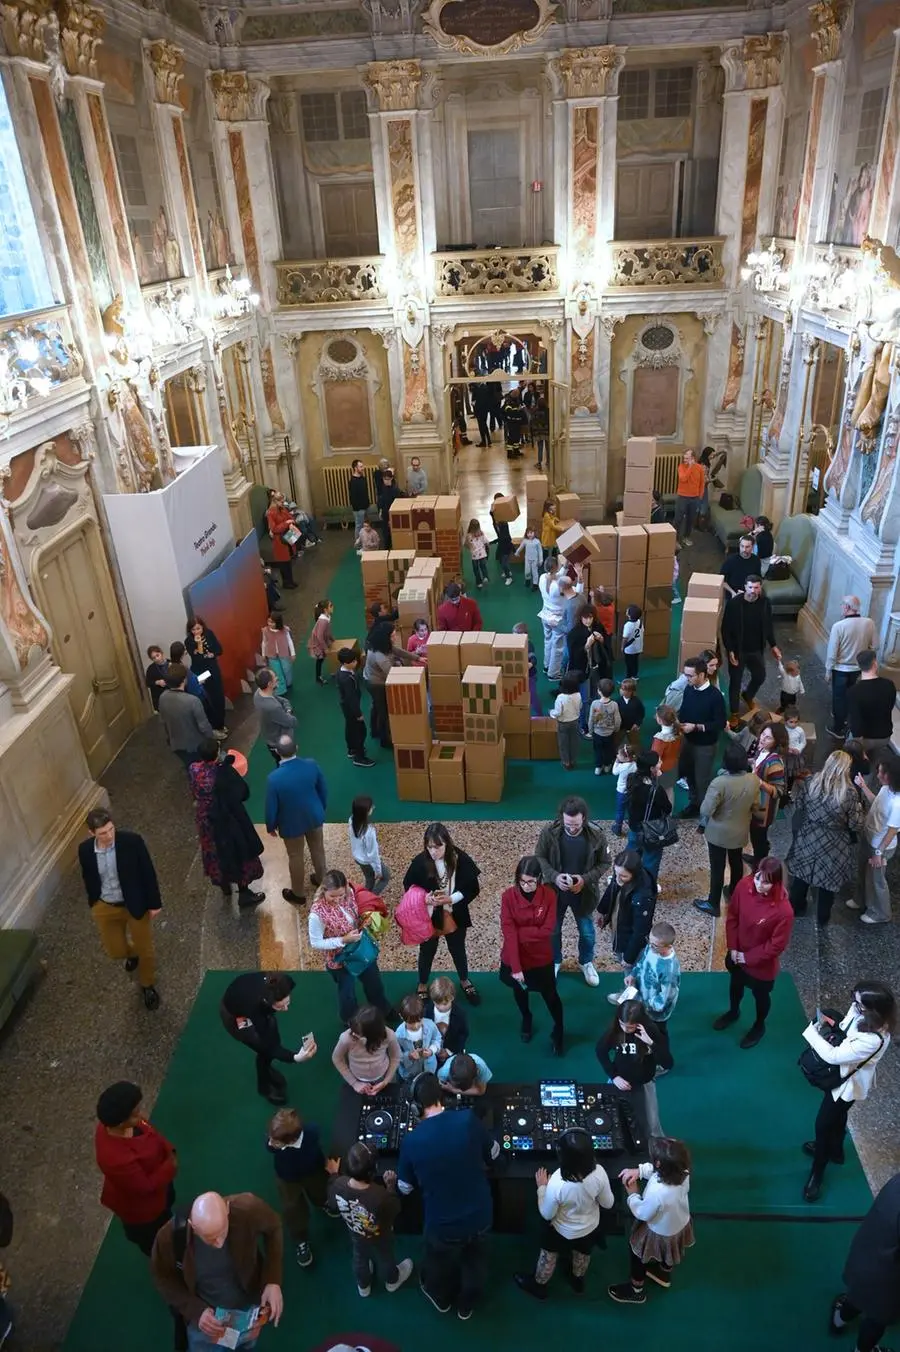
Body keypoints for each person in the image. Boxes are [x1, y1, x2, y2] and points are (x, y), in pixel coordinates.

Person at [396, 1072, 498, 1320]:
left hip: (443, 1227)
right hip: (481, 1216)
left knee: (439, 1264)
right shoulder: (469, 1120)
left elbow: (405, 1188)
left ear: (415, 1107)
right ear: (443, 1096)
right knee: (476, 1261)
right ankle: (467, 1305)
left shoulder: (412, 1141)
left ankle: (441, 1299)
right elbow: (493, 1153)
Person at [151, 1191, 284, 1350]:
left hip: (248, 1308)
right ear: (193, 1226)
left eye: (222, 1231)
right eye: (210, 1238)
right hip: (208, 1319)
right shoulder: (169, 1237)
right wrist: (196, 1311)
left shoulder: (247, 1209)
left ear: (227, 1209)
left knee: (247, 1343)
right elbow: (162, 1277)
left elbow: (274, 1227)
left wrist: (272, 1280)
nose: (219, 1243)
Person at [801, 982, 895, 1202]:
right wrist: (836, 1024)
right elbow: (848, 1027)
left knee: (823, 1126)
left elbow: (834, 1056)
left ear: (873, 1011)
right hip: (843, 1079)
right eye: (854, 998)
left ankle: (818, 1172)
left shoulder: (873, 1039)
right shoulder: (863, 1013)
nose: (854, 1005)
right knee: (838, 1116)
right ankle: (836, 1151)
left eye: (859, 1004)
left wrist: (811, 1034)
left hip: (846, 1084)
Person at [514, 1130, 614, 1301]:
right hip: (589, 1228)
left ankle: (539, 1285)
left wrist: (542, 1188)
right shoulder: (600, 1173)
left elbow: (547, 1214)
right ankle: (577, 1280)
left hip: (560, 1230)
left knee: (549, 1255)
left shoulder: (557, 1183)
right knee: (582, 1253)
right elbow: (608, 1203)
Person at [78, 808, 161, 1011]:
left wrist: (154, 903)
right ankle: (131, 955)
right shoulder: (85, 850)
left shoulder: (132, 842)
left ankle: (148, 985)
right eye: (102, 833)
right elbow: (89, 877)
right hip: (105, 905)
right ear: (91, 834)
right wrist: (94, 902)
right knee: (115, 951)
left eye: (110, 829)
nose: (108, 836)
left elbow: (148, 872)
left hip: (134, 903)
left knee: (146, 950)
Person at [712, 858, 793, 1049]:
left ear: (776, 883)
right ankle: (733, 1012)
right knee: (735, 985)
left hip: (760, 965)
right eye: (757, 877)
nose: (758, 884)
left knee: (761, 996)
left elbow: (776, 945)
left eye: (765, 882)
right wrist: (732, 947)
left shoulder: (784, 911)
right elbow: (732, 917)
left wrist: (748, 957)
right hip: (737, 955)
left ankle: (759, 1025)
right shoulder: (743, 885)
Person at [94, 1081, 177, 1255]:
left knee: (167, 1212)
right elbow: (145, 1186)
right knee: (157, 1241)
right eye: (134, 1114)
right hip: (145, 1210)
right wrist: (171, 1165)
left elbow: (152, 1134)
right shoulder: (115, 1159)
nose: (140, 1116)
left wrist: (168, 1150)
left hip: (160, 1189)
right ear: (119, 1122)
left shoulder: (126, 1124)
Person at [609, 1138, 694, 1305]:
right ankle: (663, 1272)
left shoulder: (659, 1193)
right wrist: (639, 1171)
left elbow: (643, 1213)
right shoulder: (683, 1172)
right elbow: (657, 1171)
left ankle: (636, 1290)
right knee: (669, 1251)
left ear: (659, 1164)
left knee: (637, 1255)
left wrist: (633, 1194)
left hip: (658, 1231)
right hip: (679, 1224)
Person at [404, 823, 482, 1004]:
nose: (433, 851)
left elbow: (472, 887)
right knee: (427, 951)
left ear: (446, 843)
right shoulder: (420, 862)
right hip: (430, 917)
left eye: (437, 846)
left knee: (458, 949)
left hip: (455, 914)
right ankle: (422, 983)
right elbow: (410, 887)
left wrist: (451, 899)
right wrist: (425, 899)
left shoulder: (460, 859)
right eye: (429, 846)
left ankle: (464, 979)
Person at [536, 797, 610, 986]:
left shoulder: (596, 835)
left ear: (584, 818)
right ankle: (555, 961)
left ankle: (585, 962)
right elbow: (540, 857)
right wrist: (554, 876)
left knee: (587, 933)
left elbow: (605, 863)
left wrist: (584, 879)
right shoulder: (549, 832)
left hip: (583, 893)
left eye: (576, 824)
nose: (571, 828)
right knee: (553, 930)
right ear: (561, 818)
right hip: (555, 892)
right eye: (567, 824)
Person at [787, 751, 866, 926]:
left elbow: (799, 805)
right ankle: (823, 918)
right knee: (827, 883)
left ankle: (795, 907)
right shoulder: (849, 793)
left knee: (802, 874)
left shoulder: (811, 782)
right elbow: (856, 824)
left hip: (809, 834)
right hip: (834, 843)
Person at [325, 1144, 412, 1298]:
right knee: (385, 1255)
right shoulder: (380, 1196)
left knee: (359, 1256)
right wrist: (390, 1186)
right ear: (374, 1170)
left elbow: (332, 1204)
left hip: (355, 1231)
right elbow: (394, 1208)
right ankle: (392, 1280)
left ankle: (363, 1286)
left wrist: (333, 1175)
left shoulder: (337, 1185)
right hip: (380, 1234)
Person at [827, 1172, 900, 1349]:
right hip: (889, 1279)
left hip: (865, 1257)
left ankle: (838, 1321)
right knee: (876, 1320)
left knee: (856, 1297)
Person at [220, 971, 317, 1104]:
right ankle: (264, 1088)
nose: (286, 1008)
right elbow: (270, 1047)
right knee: (264, 1051)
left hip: (250, 1003)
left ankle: (268, 1070)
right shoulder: (254, 1009)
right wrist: (295, 1057)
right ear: (267, 1001)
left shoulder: (282, 983)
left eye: (287, 1002)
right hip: (235, 1017)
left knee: (271, 1034)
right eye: (281, 1006)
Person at [309, 871, 393, 1024]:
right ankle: (351, 1021)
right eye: (332, 896)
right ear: (324, 890)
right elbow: (316, 942)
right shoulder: (316, 914)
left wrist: (364, 919)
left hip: (361, 950)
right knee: (347, 994)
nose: (337, 900)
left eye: (340, 895)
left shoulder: (350, 893)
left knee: (374, 982)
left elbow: (357, 909)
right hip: (341, 960)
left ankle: (383, 1009)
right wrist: (343, 940)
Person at [500, 855, 564, 1055]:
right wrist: (516, 968)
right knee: (520, 991)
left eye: (530, 882)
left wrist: (521, 933)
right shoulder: (508, 897)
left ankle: (559, 1028)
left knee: (551, 995)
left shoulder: (550, 895)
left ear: (539, 878)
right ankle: (526, 1018)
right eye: (522, 881)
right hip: (515, 956)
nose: (526, 886)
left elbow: (548, 929)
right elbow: (508, 933)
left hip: (540, 958)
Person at [190, 740, 265, 909]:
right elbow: (242, 793)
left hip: (206, 820)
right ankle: (244, 893)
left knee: (214, 852)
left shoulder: (194, 769)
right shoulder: (224, 772)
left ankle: (224, 886)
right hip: (228, 820)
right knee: (237, 852)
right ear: (217, 754)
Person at [692, 742, 759, 917]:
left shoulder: (720, 782)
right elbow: (756, 805)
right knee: (736, 861)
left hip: (718, 833)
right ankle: (734, 892)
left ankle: (713, 903)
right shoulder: (753, 779)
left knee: (717, 867)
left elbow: (706, 810)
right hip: (740, 829)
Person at [595, 997, 671, 1139]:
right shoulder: (615, 1030)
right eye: (622, 1024)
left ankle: (657, 1149)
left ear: (639, 1023)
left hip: (644, 1082)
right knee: (608, 1114)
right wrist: (614, 1076)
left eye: (630, 1027)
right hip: (620, 1079)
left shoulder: (651, 1031)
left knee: (651, 1123)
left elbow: (667, 1063)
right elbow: (600, 1051)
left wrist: (651, 1044)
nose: (625, 1029)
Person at [265, 735, 328, 906]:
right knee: (318, 850)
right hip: (314, 816)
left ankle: (298, 893)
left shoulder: (274, 778)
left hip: (290, 823)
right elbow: (323, 790)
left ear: (277, 752)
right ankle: (323, 881)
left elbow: (272, 806)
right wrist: (320, 809)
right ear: (297, 748)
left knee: (295, 856)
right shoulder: (311, 765)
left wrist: (271, 825)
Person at [608, 922, 681, 1066]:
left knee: (658, 1036)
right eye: (650, 941)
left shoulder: (669, 970)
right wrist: (633, 975)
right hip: (642, 1000)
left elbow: (662, 1002)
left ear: (669, 946)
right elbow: (641, 964)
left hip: (656, 1014)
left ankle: (663, 1064)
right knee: (643, 1030)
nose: (650, 946)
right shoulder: (652, 947)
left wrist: (639, 1003)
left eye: (655, 945)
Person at [266, 1108, 327, 1270]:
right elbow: (269, 1146)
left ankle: (323, 1203)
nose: (271, 1142)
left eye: (275, 1141)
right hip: (286, 1178)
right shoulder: (277, 1139)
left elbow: (315, 1158)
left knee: (320, 1191)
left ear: (292, 1140)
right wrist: (273, 1145)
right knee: (292, 1208)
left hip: (312, 1172)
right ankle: (300, 1238)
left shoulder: (311, 1135)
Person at [722, 576, 782, 718]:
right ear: (745, 587)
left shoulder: (765, 603)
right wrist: (730, 649)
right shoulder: (734, 604)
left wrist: (773, 645)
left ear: (760, 588)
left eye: (756, 587)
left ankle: (748, 696)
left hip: (756, 649)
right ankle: (735, 713)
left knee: (760, 676)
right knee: (735, 682)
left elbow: (768, 625)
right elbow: (725, 629)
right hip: (738, 650)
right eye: (750, 587)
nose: (753, 591)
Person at [676, 656, 728, 818]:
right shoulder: (689, 689)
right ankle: (694, 804)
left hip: (705, 746)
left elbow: (719, 723)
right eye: (685, 675)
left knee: (701, 780)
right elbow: (684, 711)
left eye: (690, 676)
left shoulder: (715, 696)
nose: (686, 679)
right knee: (689, 775)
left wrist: (697, 727)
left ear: (701, 675)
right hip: (687, 741)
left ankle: (705, 814)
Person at [851, 753, 900, 924]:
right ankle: (861, 900)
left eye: (881, 773)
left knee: (876, 880)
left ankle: (881, 912)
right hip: (869, 837)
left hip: (881, 845)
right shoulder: (886, 788)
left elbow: (892, 831)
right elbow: (876, 802)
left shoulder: (898, 802)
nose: (878, 775)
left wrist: (879, 853)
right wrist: (863, 787)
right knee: (863, 871)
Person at [597, 850, 657, 975]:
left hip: (630, 941)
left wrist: (629, 957)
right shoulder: (622, 875)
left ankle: (631, 994)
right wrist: (602, 911)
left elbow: (640, 931)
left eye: (623, 876)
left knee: (632, 973)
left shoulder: (642, 895)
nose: (618, 878)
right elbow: (612, 889)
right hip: (620, 928)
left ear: (634, 874)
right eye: (616, 873)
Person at [825, 596, 876, 739]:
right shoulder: (869, 623)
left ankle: (838, 728)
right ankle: (848, 722)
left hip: (841, 669)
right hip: (859, 668)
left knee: (839, 698)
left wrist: (829, 669)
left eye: (842, 605)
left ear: (847, 607)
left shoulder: (839, 626)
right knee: (851, 696)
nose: (841, 607)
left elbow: (832, 652)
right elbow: (873, 646)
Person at [624, 751, 670, 883]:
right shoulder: (656, 790)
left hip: (634, 828)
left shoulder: (631, 779)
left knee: (631, 857)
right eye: (658, 762)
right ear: (651, 768)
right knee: (651, 861)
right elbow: (667, 808)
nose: (661, 763)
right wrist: (658, 781)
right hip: (651, 831)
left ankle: (625, 879)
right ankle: (646, 887)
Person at [158, 663, 215, 771]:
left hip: (177, 744)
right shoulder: (193, 701)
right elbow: (204, 726)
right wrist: (212, 740)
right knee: (205, 771)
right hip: (196, 746)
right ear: (184, 680)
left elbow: (163, 721)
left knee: (191, 769)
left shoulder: (163, 697)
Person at [332, 1006, 401, 1094]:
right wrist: (355, 1083)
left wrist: (386, 1081)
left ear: (372, 1036)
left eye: (359, 1034)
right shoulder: (346, 1038)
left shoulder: (389, 1035)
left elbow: (396, 1056)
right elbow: (337, 1058)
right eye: (353, 1030)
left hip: (384, 1075)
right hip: (358, 1078)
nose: (353, 1034)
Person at [847, 649, 897, 764]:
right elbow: (890, 706)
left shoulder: (853, 692)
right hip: (884, 736)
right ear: (875, 663)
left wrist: (859, 747)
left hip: (864, 739)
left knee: (855, 764)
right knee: (874, 763)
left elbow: (856, 723)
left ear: (859, 666)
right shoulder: (889, 685)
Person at [749, 722, 788, 867]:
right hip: (755, 803)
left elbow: (778, 791)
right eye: (763, 735)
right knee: (757, 837)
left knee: (759, 837)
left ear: (776, 742)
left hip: (763, 810)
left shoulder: (775, 763)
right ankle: (757, 858)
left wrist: (758, 781)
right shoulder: (762, 750)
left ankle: (759, 867)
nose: (763, 739)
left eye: (768, 738)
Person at [186, 616, 227, 736]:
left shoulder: (209, 634)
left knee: (218, 696)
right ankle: (213, 727)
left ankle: (220, 724)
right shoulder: (189, 641)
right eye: (193, 630)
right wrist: (198, 644)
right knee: (207, 699)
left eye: (198, 628)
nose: (196, 632)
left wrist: (212, 654)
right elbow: (197, 658)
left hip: (212, 668)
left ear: (202, 626)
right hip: (201, 672)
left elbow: (219, 650)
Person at [336, 650, 375, 769]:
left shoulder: (344, 671)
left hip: (347, 707)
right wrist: (358, 714)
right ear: (345, 663)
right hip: (351, 708)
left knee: (350, 728)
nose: (355, 662)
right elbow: (351, 698)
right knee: (360, 731)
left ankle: (352, 749)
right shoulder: (346, 679)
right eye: (352, 661)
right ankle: (360, 757)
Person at [254, 668, 297, 764]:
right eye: (275, 677)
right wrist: (288, 710)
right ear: (269, 684)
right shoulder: (273, 707)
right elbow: (292, 722)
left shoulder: (258, 693)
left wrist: (286, 705)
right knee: (284, 763)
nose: (277, 678)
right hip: (278, 742)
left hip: (269, 737)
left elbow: (281, 700)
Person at [394, 993, 441, 1079]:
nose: (416, 1026)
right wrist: (409, 1056)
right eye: (411, 1022)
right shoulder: (398, 1035)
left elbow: (437, 1038)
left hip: (429, 1068)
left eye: (419, 1021)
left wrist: (432, 1050)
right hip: (409, 1073)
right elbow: (396, 1055)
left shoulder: (430, 1025)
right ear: (401, 1017)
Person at [349, 796, 389, 894]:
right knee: (385, 877)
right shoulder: (369, 831)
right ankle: (371, 898)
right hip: (367, 860)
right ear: (366, 812)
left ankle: (364, 897)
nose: (373, 808)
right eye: (371, 807)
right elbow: (372, 853)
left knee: (369, 879)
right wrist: (378, 870)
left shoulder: (352, 819)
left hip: (358, 858)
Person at [424, 977, 469, 1063]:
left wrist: (449, 1052)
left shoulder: (460, 1014)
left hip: (451, 1049)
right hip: (430, 1049)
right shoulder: (426, 1010)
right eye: (437, 1003)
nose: (441, 1007)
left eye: (445, 1004)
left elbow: (463, 1035)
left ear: (452, 998)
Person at [266, 489, 299, 589]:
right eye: (281, 501)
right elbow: (274, 529)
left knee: (289, 562)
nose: (283, 503)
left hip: (288, 537)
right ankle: (286, 582)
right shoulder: (270, 513)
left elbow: (291, 518)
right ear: (275, 501)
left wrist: (291, 523)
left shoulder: (283, 509)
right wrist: (287, 523)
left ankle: (291, 580)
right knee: (283, 563)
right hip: (279, 541)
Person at [550, 672, 582, 770]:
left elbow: (558, 712)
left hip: (563, 723)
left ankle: (566, 762)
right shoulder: (578, 695)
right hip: (575, 721)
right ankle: (573, 760)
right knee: (574, 742)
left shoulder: (561, 697)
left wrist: (551, 713)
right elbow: (580, 707)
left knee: (563, 743)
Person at [589, 677, 621, 775]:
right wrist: (616, 728)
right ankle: (607, 766)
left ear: (599, 691)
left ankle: (598, 767)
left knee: (598, 750)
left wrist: (591, 731)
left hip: (597, 733)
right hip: (609, 733)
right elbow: (618, 719)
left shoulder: (594, 703)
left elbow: (591, 719)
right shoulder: (614, 704)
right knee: (608, 750)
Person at [674, 448, 704, 546]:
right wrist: (690, 467)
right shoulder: (681, 467)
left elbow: (702, 483)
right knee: (678, 519)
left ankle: (686, 537)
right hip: (682, 497)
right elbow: (683, 479)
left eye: (687, 456)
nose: (685, 458)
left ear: (693, 458)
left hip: (694, 498)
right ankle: (676, 540)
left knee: (691, 519)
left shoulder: (699, 468)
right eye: (685, 456)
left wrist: (700, 497)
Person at [260, 613, 295, 695]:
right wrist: (263, 654)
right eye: (268, 621)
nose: (269, 624)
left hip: (284, 654)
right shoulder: (265, 631)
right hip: (272, 655)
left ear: (278, 622)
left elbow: (289, 641)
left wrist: (292, 653)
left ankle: (288, 683)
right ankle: (281, 689)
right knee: (277, 672)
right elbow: (264, 643)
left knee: (287, 669)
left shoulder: (284, 630)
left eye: (272, 622)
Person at [651, 704, 681, 791]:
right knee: (669, 790)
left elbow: (655, 758)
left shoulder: (660, 739)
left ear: (659, 720)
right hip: (673, 767)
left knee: (660, 794)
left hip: (661, 771)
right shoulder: (678, 733)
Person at [612, 743, 638, 836]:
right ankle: (633, 826)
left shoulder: (622, 767)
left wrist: (616, 761)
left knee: (620, 810)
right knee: (631, 809)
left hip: (622, 792)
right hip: (632, 791)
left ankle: (618, 828)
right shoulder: (635, 765)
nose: (617, 755)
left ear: (626, 758)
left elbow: (614, 772)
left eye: (619, 755)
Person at [307, 601, 334, 686]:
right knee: (320, 659)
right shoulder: (323, 621)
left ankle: (332, 670)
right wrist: (325, 648)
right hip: (318, 643)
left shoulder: (327, 617)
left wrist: (331, 639)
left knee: (323, 657)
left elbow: (327, 631)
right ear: (325, 609)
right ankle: (318, 677)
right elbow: (319, 636)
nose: (333, 607)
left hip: (323, 641)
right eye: (331, 606)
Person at [490, 494, 515, 586]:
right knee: (501, 560)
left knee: (504, 562)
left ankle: (509, 577)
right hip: (501, 543)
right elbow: (492, 516)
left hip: (505, 544)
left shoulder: (503, 521)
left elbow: (504, 536)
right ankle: (507, 571)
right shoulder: (496, 520)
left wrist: (494, 541)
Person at [617, 677, 645, 749]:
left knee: (635, 744)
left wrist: (637, 724)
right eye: (621, 688)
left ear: (630, 691)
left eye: (623, 689)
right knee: (617, 743)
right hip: (621, 728)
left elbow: (641, 714)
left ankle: (637, 757)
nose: (620, 690)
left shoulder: (637, 702)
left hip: (633, 728)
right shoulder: (618, 701)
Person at [377, 469, 401, 547]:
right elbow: (380, 500)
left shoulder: (395, 490)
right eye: (384, 479)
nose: (386, 481)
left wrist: (391, 518)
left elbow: (396, 505)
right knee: (385, 534)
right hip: (384, 513)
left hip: (392, 514)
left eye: (387, 479)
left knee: (393, 535)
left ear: (391, 478)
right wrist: (380, 510)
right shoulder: (382, 487)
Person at [464, 518, 490, 589]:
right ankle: (485, 577)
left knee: (476, 569)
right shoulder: (480, 533)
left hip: (475, 555)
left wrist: (470, 547)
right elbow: (486, 542)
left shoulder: (469, 535)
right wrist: (487, 548)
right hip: (481, 553)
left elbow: (466, 545)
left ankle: (479, 582)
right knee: (483, 566)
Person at [783, 710, 807, 785]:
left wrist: (798, 749)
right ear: (786, 721)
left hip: (795, 756)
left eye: (796, 722)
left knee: (794, 772)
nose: (794, 724)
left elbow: (803, 742)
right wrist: (786, 749)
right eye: (791, 722)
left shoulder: (800, 731)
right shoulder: (783, 730)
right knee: (784, 770)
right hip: (785, 756)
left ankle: (791, 784)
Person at [516, 526, 543, 591]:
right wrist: (517, 552)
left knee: (535, 572)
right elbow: (521, 547)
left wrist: (541, 560)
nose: (529, 534)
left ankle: (535, 584)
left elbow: (540, 551)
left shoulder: (537, 541)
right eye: (528, 533)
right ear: (526, 534)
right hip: (527, 559)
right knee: (527, 571)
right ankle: (527, 580)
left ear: (534, 533)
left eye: (531, 533)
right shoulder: (525, 541)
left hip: (535, 560)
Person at [349, 460, 370, 536]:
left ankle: (365, 543)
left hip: (365, 506)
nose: (363, 468)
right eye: (360, 467)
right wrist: (357, 509)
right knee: (359, 527)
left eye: (362, 466)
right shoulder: (353, 481)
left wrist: (367, 504)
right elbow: (353, 497)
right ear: (355, 468)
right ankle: (358, 545)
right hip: (358, 509)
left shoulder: (363, 478)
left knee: (366, 526)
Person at [621, 605, 643, 680]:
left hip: (630, 649)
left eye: (627, 610)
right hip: (638, 646)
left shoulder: (628, 625)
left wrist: (622, 647)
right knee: (635, 661)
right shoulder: (639, 622)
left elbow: (625, 638)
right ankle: (635, 675)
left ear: (629, 615)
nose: (626, 611)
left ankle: (628, 676)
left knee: (629, 663)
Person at [145, 645, 169, 711]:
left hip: (173, 694)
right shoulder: (151, 669)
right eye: (154, 658)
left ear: (161, 653)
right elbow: (148, 683)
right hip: (161, 697)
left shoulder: (171, 663)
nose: (157, 659)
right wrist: (157, 682)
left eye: (157, 655)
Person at [532, 394, 550, 468]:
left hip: (538, 433)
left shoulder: (535, 411)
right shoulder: (548, 411)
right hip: (547, 432)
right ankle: (548, 461)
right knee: (548, 447)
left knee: (540, 448)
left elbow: (533, 422)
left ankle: (539, 463)